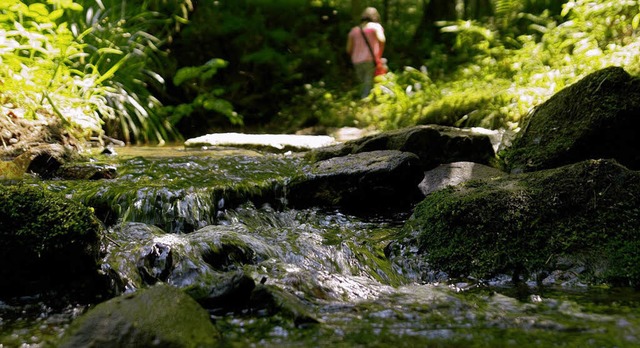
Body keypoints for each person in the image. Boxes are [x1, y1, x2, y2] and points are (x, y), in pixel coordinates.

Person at [346, 7, 386, 99]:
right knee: (368, 84)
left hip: (356, 61)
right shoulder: (375, 27)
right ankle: (365, 103)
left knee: (362, 83)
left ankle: (362, 101)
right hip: (370, 59)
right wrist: (379, 54)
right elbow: (382, 40)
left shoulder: (354, 30)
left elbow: (348, 49)